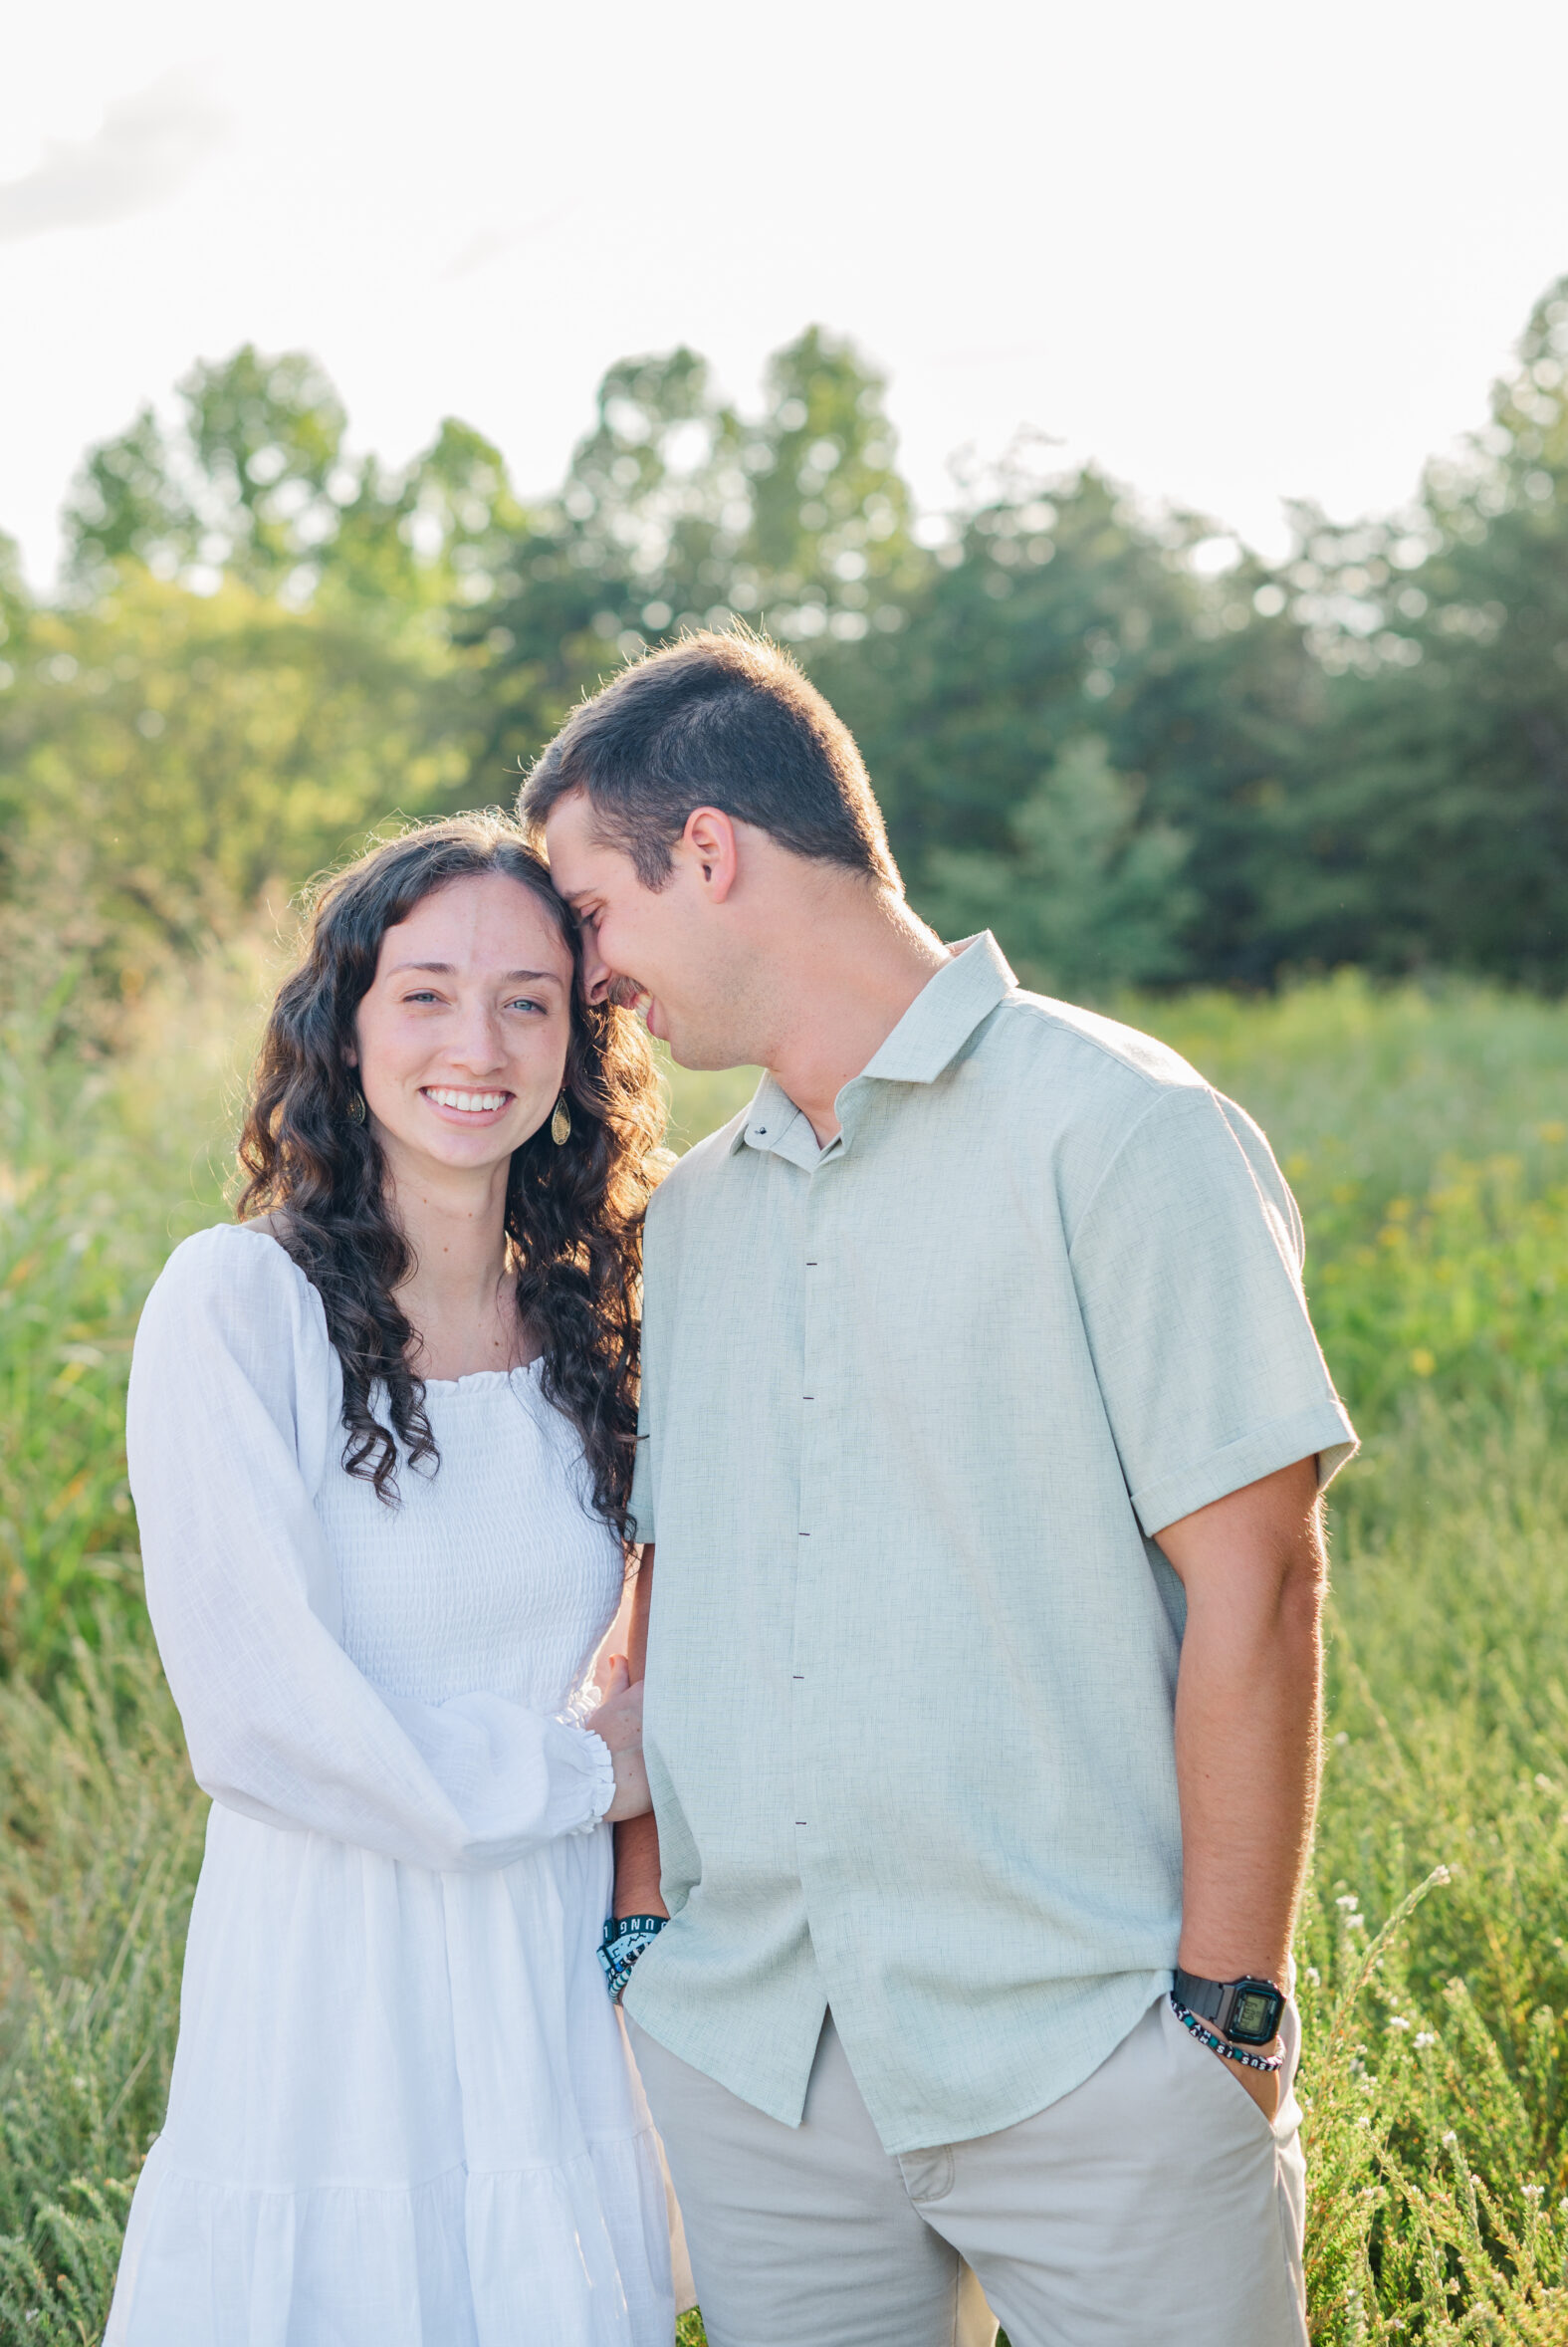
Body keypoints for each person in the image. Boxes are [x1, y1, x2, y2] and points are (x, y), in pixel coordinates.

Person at [523, 634, 1357, 2347]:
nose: (589, 973)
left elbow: (1262, 1585)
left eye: (593, 911)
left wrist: (1229, 2022)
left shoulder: (1123, 1133)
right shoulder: (695, 1220)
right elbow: (674, 1587)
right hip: (761, 2068)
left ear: (710, 853)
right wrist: (645, 1939)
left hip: (1095, 2056)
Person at [106, 816, 679, 2347]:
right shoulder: (238, 1308)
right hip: (331, 1985)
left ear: (579, 1036)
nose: (473, 1042)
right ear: (345, 1023)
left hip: (549, 1983)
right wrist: (583, 1775)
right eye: (424, 992)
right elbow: (259, 1719)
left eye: (526, 999)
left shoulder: (603, 1326)